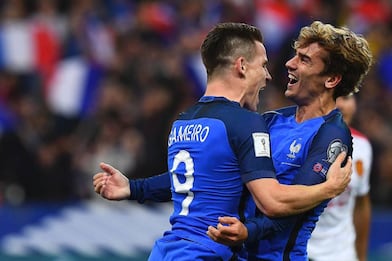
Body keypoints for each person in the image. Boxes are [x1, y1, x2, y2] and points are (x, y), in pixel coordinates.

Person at [93, 22, 352, 261]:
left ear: (331, 79)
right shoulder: (248, 123)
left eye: (303, 59)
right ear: (241, 66)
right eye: (263, 65)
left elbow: (195, 177)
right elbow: (273, 202)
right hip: (209, 253)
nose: (270, 74)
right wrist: (329, 189)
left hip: (167, 251)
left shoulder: (185, 120)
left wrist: (134, 188)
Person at [206, 21, 373, 261]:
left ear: (331, 80)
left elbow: (288, 209)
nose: (289, 63)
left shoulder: (332, 136)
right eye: (296, 55)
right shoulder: (271, 121)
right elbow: (210, 169)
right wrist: (138, 188)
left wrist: (248, 231)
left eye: (304, 60)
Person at [307, 94, 373, 261]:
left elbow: (361, 204)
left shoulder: (363, 146)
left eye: (348, 97)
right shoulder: (299, 141)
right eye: (335, 97)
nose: (341, 105)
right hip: (302, 252)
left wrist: (361, 256)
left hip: (342, 254)